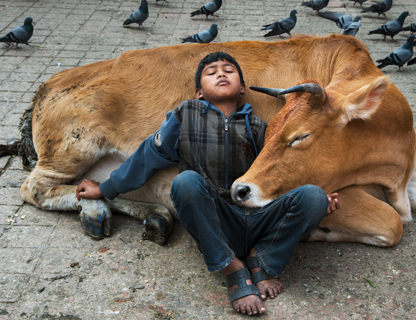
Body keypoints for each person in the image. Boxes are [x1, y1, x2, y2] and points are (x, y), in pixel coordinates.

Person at [76, 52, 340, 315]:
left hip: (258, 218)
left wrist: (318, 203)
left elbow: (277, 173)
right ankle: (232, 267)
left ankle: (262, 262)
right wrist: (105, 188)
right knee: (186, 182)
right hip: (215, 221)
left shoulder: (260, 127)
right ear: (199, 92)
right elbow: (148, 156)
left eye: (229, 70)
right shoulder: (185, 115)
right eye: (211, 72)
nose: (221, 74)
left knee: (314, 196)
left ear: (243, 88)